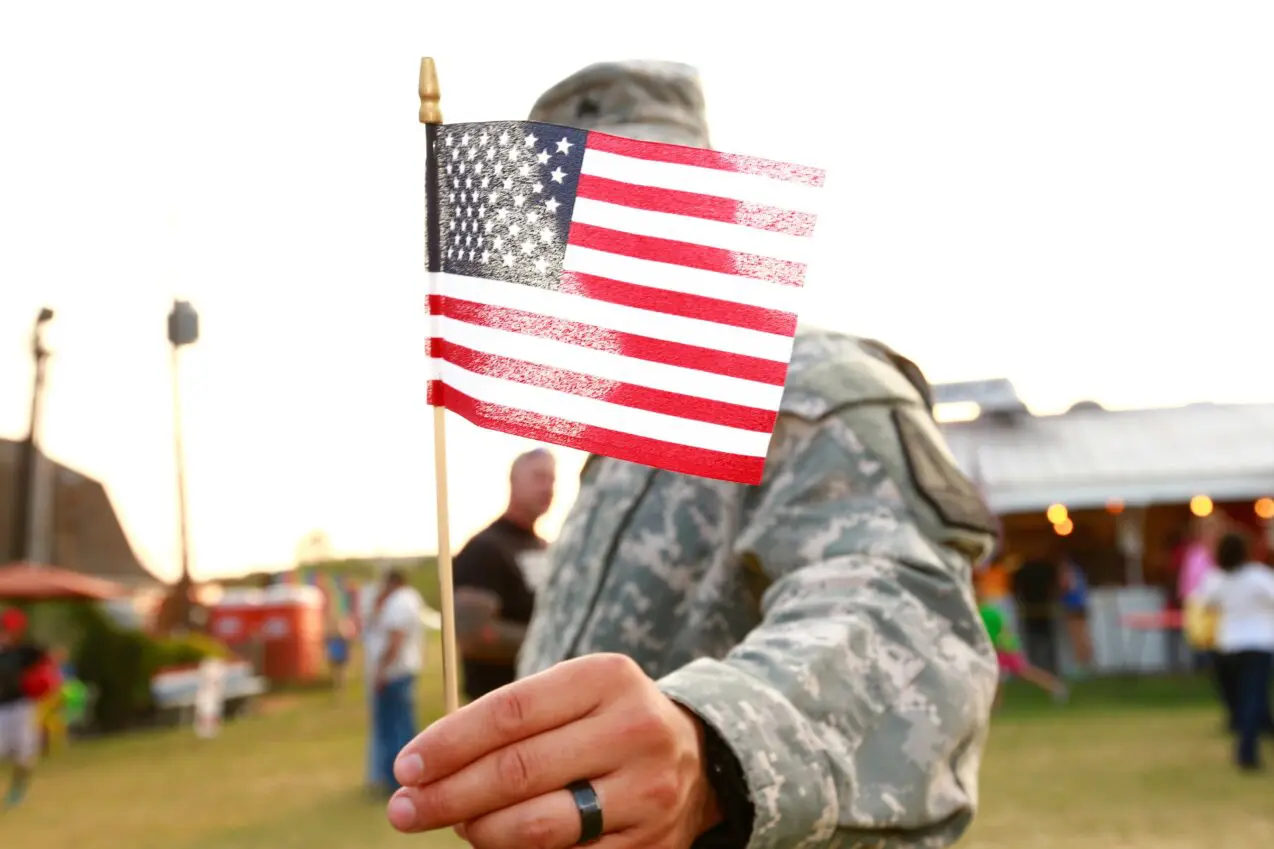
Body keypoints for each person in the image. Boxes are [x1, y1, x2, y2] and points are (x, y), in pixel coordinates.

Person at [386, 60, 1001, 849]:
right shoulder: (615, 452)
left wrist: (711, 745)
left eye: (643, 201)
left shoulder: (810, 385)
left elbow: (905, 616)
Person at [453, 448, 555, 702]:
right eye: (539, 477)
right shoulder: (485, 548)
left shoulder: (546, 548)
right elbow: (473, 634)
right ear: (513, 481)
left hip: (545, 697)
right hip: (498, 704)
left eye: (552, 479)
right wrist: (552, 640)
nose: (548, 488)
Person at [1191, 532, 1274, 771]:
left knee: (1241, 696)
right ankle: (1247, 750)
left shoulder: (1216, 579)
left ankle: (1256, 731)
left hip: (1228, 644)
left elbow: (1205, 605)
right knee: (1253, 695)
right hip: (1258, 643)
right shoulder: (1258, 576)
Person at [362, 568, 425, 796]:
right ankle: (405, 777)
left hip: (394, 674)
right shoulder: (411, 598)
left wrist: (381, 671)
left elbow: (395, 639)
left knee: (393, 728)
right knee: (402, 725)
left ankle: (396, 780)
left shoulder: (399, 603)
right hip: (404, 671)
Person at [0, 607, 56, 809]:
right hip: (2, 709)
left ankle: (18, 789)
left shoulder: (25, 651)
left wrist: (43, 680)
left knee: (24, 751)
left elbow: (50, 658)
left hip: (22, 706)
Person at [978, 598, 1068, 707]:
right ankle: (995, 705)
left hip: (1004, 649)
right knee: (1000, 677)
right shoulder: (989, 611)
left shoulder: (983, 613)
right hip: (1006, 647)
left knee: (1024, 672)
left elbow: (992, 634)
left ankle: (1054, 686)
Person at [1058, 552, 1094, 674]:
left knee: (1076, 636)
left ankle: (1081, 665)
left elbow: (1066, 586)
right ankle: (1088, 663)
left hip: (1072, 606)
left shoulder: (1069, 572)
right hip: (1081, 605)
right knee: (1083, 634)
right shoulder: (1079, 572)